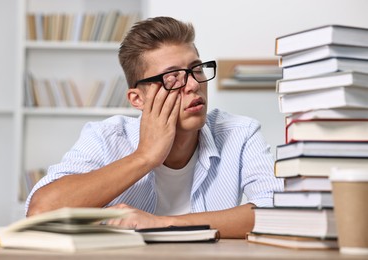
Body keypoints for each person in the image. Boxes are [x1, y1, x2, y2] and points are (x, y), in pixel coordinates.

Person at [26, 16, 283, 238]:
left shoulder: (240, 132)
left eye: (196, 69)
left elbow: (276, 213)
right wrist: (145, 156)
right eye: (172, 78)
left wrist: (163, 224)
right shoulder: (107, 136)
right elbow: (41, 211)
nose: (193, 85)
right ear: (138, 99)